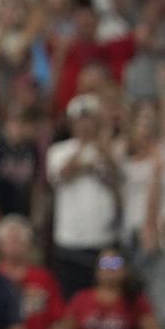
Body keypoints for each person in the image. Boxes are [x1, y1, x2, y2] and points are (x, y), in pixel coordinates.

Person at [46, 93, 121, 299]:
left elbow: (118, 178)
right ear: (71, 123)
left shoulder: (111, 150)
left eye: (90, 120)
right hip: (68, 243)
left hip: (107, 243)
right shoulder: (58, 151)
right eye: (80, 120)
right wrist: (83, 150)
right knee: (72, 298)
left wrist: (101, 146)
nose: (85, 125)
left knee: (110, 294)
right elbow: (62, 174)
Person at [63, 250, 164, 329]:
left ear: (125, 270)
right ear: (97, 271)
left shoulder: (135, 301)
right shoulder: (81, 299)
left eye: (115, 263)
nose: (109, 268)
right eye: (105, 263)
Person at [0, 214, 66, 329]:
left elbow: (56, 320)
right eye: (9, 241)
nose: (14, 246)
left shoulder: (43, 277)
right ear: (0, 245)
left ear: (28, 244)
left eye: (19, 241)